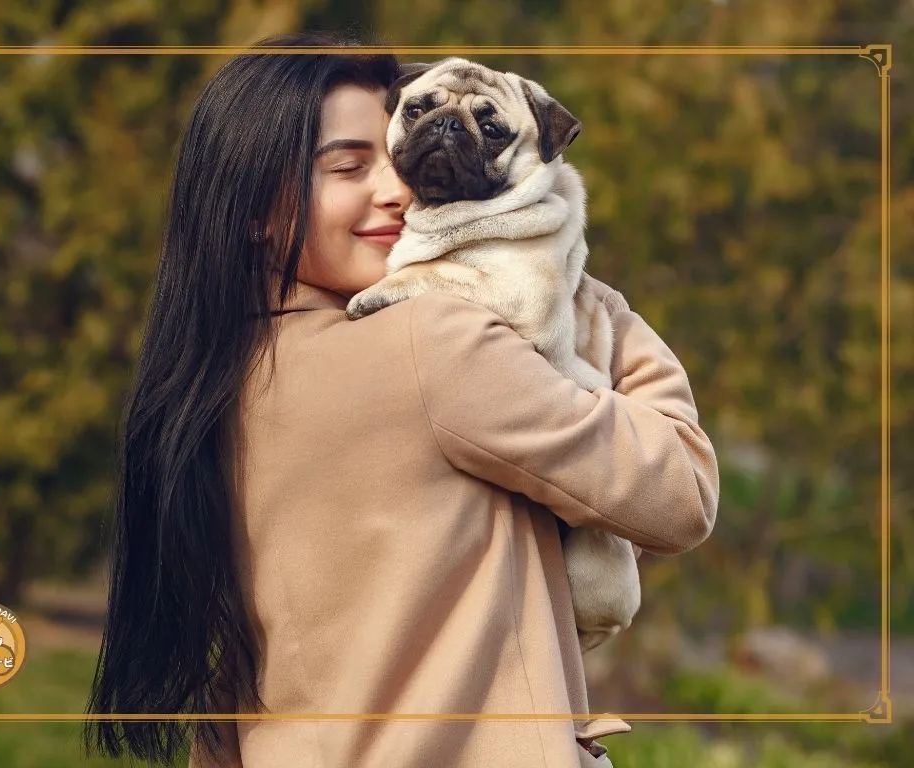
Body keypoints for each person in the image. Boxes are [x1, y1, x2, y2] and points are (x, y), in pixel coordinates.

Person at [83, 32, 719, 768]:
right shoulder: (434, 341)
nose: (397, 190)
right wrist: (572, 281)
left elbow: (236, 679)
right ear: (255, 206)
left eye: (391, 157)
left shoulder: (216, 378)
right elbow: (682, 491)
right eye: (349, 167)